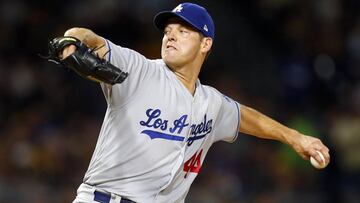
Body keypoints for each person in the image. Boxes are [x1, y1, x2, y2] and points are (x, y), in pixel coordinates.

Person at [56, 2, 330, 203]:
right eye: (168, 31)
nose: (171, 35)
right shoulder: (139, 70)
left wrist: (295, 138)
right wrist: (71, 40)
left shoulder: (210, 102)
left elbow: (246, 117)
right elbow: (87, 37)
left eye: (183, 31)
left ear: (206, 44)